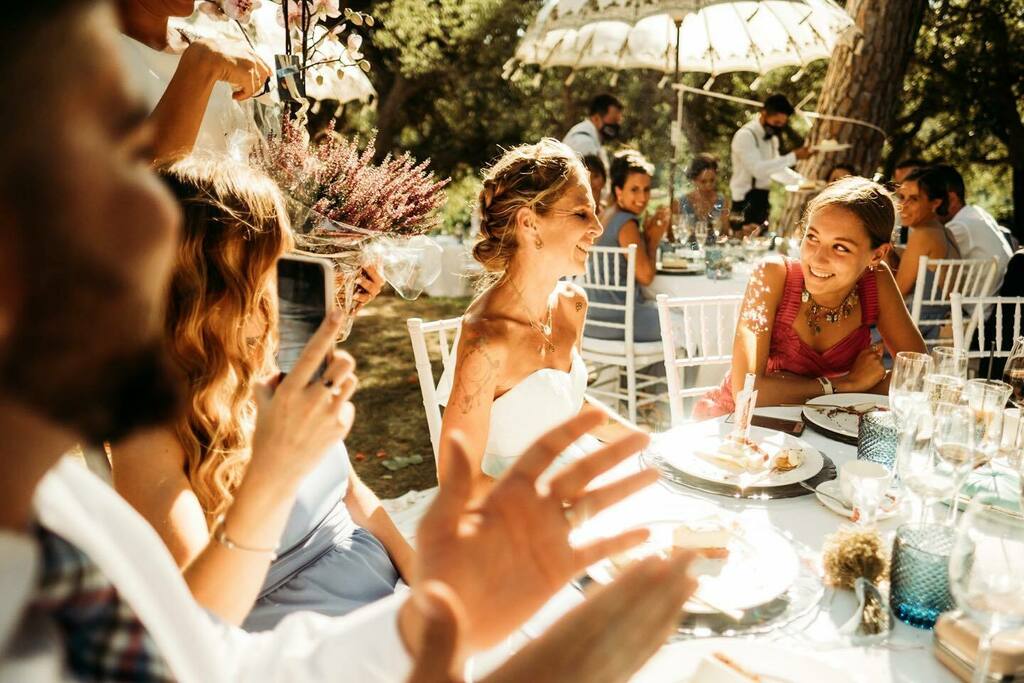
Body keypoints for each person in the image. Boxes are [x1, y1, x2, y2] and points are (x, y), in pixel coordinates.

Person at [2, 4, 704, 680]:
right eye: (272, 277)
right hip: (312, 625)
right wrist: (278, 472)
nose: (287, 299)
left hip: (381, 604)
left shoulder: (254, 386)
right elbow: (202, 644)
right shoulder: (130, 449)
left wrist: (444, 604)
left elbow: (357, 500)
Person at [110, 158, 409, 632]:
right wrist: (277, 465)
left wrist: (425, 578)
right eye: (263, 263)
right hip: (302, 638)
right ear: (197, 286)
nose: (280, 285)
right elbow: (198, 622)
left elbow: (352, 493)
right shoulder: (147, 429)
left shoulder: (275, 359)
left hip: (387, 591)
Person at [436, 139, 623, 492]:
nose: (598, 227)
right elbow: (457, 481)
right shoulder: (485, 340)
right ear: (529, 223)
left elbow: (567, 404)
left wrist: (646, 442)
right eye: (582, 214)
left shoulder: (572, 305)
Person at [695, 177, 926, 418]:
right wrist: (846, 385)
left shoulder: (875, 281)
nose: (817, 258)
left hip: (823, 426)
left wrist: (838, 392)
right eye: (812, 237)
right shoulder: (772, 275)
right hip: (739, 423)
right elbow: (746, 392)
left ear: (877, 255)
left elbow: (917, 372)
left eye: (840, 247)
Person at [117, 0, 272, 160]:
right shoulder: (103, 61)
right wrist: (202, 64)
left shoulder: (212, 47)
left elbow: (238, 146)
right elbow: (130, 168)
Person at [584, 150, 669, 342]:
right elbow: (646, 277)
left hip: (591, 320)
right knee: (688, 322)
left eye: (646, 189)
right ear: (619, 191)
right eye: (634, 189)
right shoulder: (626, 223)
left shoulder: (606, 215)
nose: (643, 197)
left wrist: (646, 236)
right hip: (621, 320)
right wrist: (654, 240)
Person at [729, 94, 813, 226]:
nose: (778, 127)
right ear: (764, 113)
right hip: (743, 201)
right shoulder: (745, 136)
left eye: (782, 124)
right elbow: (758, 170)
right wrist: (794, 157)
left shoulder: (772, 139)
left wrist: (803, 182)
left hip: (762, 200)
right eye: (776, 123)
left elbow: (775, 169)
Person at [931, 163, 1013, 294]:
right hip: (991, 302)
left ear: (952, 199)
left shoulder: (959, 227)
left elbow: (923, 267)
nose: (928, 207)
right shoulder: (976, 213)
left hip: (975, 305)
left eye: (932, 200)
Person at [892, 168, 962, 303]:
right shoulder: (945, 231)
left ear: (935, 203)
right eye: (902, 197)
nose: (903, 206)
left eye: (914, 199)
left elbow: (897, 292)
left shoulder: (923, 235)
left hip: (922, 316)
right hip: (945, 313)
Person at [562, 93, 623, 172]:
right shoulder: (583, 142)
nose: (616, 125)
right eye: (613, 120)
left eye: (618, 121)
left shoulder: (593, 140)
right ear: (596, 118)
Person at [680, 153, 731, 235]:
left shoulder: (722, 201)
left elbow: (725, 234)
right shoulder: (682, 202)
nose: (708, 186)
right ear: (694, 180)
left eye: (712, 180)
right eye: (703, 181)